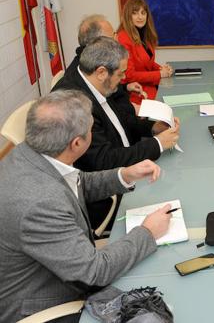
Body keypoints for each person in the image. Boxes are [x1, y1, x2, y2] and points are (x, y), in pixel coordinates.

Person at [0, 90, 172, 322]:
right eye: (91, 129)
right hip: (46, 305)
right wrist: (148, 232)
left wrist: (124, 175)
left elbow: (74, 184)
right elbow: (95, 272)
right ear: (77, 143)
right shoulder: (40, 203)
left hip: (64, 268)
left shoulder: (30, 153)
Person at [53, 37, 179, 226]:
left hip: (130, 166)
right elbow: (104, 161)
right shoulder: (75, 104)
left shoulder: (98, 83)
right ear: (102, 72)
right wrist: (158, 143)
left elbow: (124, 119)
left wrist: (152, 128)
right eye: (121, 74)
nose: (123, 80)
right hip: (108, 194)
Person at [64, 14, 145, 115]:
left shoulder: (98, 61)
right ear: (97, 44)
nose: (117, 39)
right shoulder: (84, 75)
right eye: (113, 37)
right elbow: (114, 110)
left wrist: (126, 87)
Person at [117, 0, 174, 105]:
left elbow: (147, 63)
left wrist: (162, 68)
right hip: (136, 93)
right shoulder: (123, 38)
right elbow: (129, 75)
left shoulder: (144, 35)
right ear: (128, 16)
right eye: (135, 13)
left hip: (149, 88)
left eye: (143, 13)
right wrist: (159, 74)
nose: (140, 17)